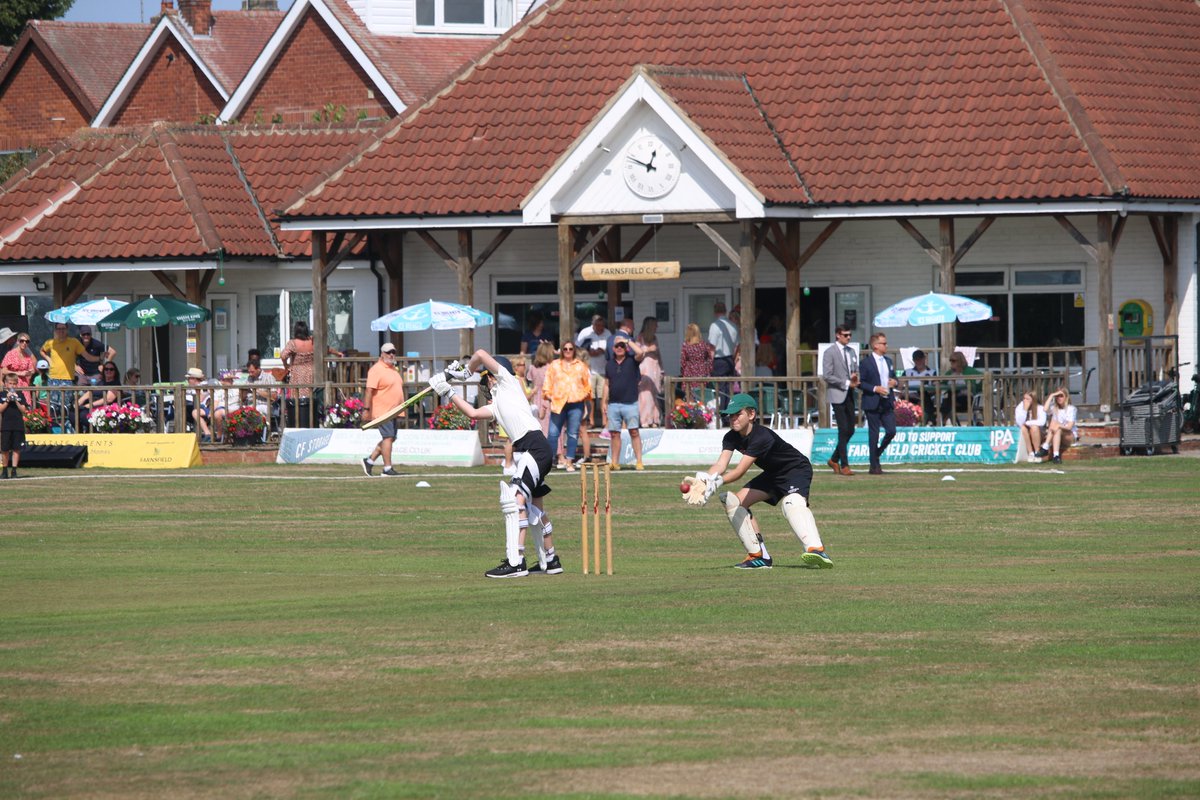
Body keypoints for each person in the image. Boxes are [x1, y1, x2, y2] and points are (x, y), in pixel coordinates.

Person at [429, 351, 562, 578]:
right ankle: (550, 560)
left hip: (535, 447)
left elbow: (480, 353)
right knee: (535, 507)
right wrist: (447, 391)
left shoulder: (509, 382)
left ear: (494, 375)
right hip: (530, 451)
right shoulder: (497, 404)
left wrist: (464, 372)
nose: (486, 384)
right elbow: (471, 412)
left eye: (486, 379)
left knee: (515, 499)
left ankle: (516, 562)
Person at [695, 393, 833, 570]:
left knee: (791, 503)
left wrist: (717, 482)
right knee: (735, 503)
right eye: (730, 415)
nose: (733, 419)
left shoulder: (761, 436)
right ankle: (759, 556)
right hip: (773, 473)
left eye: (738, 414)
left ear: (751, 415)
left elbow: (739, 471)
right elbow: (721, 464)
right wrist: (705, 480)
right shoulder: (731, 437)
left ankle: (816, 549)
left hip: (796, 470)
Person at [542, 340, 591, 472]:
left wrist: (584, 400)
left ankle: (569, 461)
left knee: (573, 433)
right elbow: (547, 384)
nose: (568, 351)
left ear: (574, 350)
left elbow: (588, 385)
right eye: (565, 349)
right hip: (558, 403)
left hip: (576, 404)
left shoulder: (581, 366)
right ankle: (551, 460)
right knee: (552, 433)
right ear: (561, 351)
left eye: (570, 349)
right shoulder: (554, 365)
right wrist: (550, 396)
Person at [362, 342, 406, 477]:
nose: (391, 354)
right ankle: (387, 468)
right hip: (382, 411)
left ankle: (369, 461)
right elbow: (369, 390)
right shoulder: (376, 369)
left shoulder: (393, 369)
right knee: (388, 437)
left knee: (391, 438)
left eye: (393, 352)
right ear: (382, 354)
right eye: (388, 352)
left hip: (394, 410)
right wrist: (366, 409)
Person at [820, 324, 859, 476]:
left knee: (851, 429)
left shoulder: (852, 351)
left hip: (850, 393)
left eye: (850, 335)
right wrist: (847, 383)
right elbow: (827, 375)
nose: (848, 337)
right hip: (837, 394)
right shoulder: (830, 352)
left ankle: (834, 459)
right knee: (843, 429)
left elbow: (855, 370)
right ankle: (844, 465)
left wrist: (855, 377)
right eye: (845, 335)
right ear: (837, 335)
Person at [41, 323, 96, 427]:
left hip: (67, 379)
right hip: (53, 379)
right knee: (53, 407)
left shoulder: (73, 342)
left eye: (63, 329)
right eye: (59, 329)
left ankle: (66, 429)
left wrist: (100, 359)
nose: (61, 331)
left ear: (67, 330)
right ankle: (54, 430)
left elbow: (87, 356)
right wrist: (48, 359)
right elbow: (42, 351)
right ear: (55, 330)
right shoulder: (50, 342)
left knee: (65, 407)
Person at [602, 339, 644, 470]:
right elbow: (607, 384)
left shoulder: (632, 361)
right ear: (613, 349)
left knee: (634, 432)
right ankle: (615, 462)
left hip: (630, 403)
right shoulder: (609, 364)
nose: (619, 348)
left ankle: (639, 461)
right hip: (613, 404)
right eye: (617, 346)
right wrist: (604, 401)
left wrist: (627, 341)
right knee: (614, 434)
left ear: (626, 348)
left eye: (622, 346)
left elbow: (640, 352)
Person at [859, 332, 897, 475]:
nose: (886, 346)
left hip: (887, 401)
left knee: (891, 431)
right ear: (875, 345)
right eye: (883, 343)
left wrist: (895, 382)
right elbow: (861, 383)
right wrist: (875, 389)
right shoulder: (866, 363)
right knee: (873, 434)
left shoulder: (888, 361)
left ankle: (876, 455)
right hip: (872, 401)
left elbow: (893, 378)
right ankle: (874, 465)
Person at [499, 354, 537, 476]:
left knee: (513, 441)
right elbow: (524, 398)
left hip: (513, 413)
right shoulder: (518, 379)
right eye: (521, 365)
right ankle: (508, 464)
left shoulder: (519, 379)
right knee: (510, 441)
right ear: (515, 367)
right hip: (512, 413)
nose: (524, 367)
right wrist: (534, 392)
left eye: (524, 364)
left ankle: (509, 462)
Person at [575, 315, 611, 417]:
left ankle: (604, 420)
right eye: (598, 326)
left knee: (603, 396)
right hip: (589, 370)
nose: (600, 328)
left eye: (602, 326)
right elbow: (577, 348)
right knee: (591, 397)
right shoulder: (585, 333)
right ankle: (591, 420)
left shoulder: (608, 333)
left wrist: (602, 351)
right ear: (593, 326)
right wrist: (588, 352)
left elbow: (611, 349)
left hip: (603, 370)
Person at [708, 301, 739, 406]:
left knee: (720, 388)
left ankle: (722, 412)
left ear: (715, 312)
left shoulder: (715, 326)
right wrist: (733, 358)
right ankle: (729, 412)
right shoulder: (733, 325)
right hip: (730, 359)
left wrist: (709, 363)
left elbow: (712, 346)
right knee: (729, 388)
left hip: (719, 360)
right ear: (725, 311)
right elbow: (737, 346)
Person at [1, 372, 30, 480]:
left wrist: (17, 400)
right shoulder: (2, 395)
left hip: (18, 425)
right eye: (10, 383)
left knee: (16, 449)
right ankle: (4, 471)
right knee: (4, 449)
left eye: (14, 383)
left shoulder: (21, 394)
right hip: (6, 425)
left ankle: (14, 470)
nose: (12, 386)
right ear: (5, 384)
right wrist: (8, 400)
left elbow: (24, 410)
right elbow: (0, 409)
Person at [940, 351, 982, 424]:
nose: (952, 363)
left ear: (960, 361)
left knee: (947, 403)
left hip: (966, 399)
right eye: (951, 361)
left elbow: (983, 378)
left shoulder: (969, 370)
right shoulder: (950, 372)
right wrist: (936, 382)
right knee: (949, 398)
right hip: (953, 399)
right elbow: (943, 382)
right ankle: (953, 424)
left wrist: (977, 389)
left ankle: (941, 422)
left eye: (954, 361)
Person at [636, 316, 663, 427]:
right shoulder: (640, 338)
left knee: (654, 393)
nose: (657, 327)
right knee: (645, 394)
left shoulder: (654, 338)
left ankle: (654, 418)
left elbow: (658, 354)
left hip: (654, 366)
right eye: (655, 325)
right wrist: (647, 349)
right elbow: (637, 354)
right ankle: (645, 420)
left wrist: (662, 369)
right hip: (645, 366)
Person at [1040, 386, 1077, 463]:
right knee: (1055, 426)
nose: (1059, 398)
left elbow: (1069, 427)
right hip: (1056, 433)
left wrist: (1058, 425)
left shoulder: (1071, 409)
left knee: (1056, 426)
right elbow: (1045, 409)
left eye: (1061, 396)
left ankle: (1045, 447)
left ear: (1066, 397)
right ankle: (1055, 456)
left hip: (1069, 436)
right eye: (1057, 396)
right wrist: (1051, 395)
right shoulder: (1054, 408)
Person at [679, 322, 714, 402]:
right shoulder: (704, 345)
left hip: (689, 375)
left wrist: (683, 373)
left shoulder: (686, 345)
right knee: (702, 398)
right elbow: (710, 359)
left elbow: (683, 362)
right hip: (702, 374)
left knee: (689, 400)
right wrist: (708, 371)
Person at [1, 331, 37, 404]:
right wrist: (19, 373)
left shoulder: (27, 356)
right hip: (13, 384)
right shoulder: (11, 354)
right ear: (17, 342)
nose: (24, 343)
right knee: (13, 407)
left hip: (25, 386)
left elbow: (33, 369)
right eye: (22, 341)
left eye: (27, 341)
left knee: (25, 407)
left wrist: (30, 372)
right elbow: (3, 371)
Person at [904, 349, 936, 424]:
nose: (919, 361)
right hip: (910, 397)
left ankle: (925, 422)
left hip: (926, 397)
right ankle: (928, 421)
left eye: (920, 359)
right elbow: (900, 386)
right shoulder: (907, 372)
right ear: (913, 360)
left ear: (924, 359)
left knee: (925, 396)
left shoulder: (932, 372)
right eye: (916, 359)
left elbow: (935, 387)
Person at [1014, 389, 1047, 462]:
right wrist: (1025, 410)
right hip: (1025, 433)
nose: (1025, 401)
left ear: (1033, 399)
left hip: (1039, 433)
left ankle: (1037, 452)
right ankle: (1030, 453)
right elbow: (1019, 423)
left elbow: (1042, 422)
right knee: (1023, 427)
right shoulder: (1020, 407)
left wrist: (1028, 423)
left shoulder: (1040, 408)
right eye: (1024, 398)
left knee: (1034, 427)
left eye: (1027, 399)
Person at [184, 367, 214, 441]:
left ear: (194, 379)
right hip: (201, 407)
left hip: (208, 407)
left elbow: (200, 399)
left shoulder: (203, 386)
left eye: (189, 378)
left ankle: (207, 433)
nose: (188, 380)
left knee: (192, 412)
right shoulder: (195, 387)